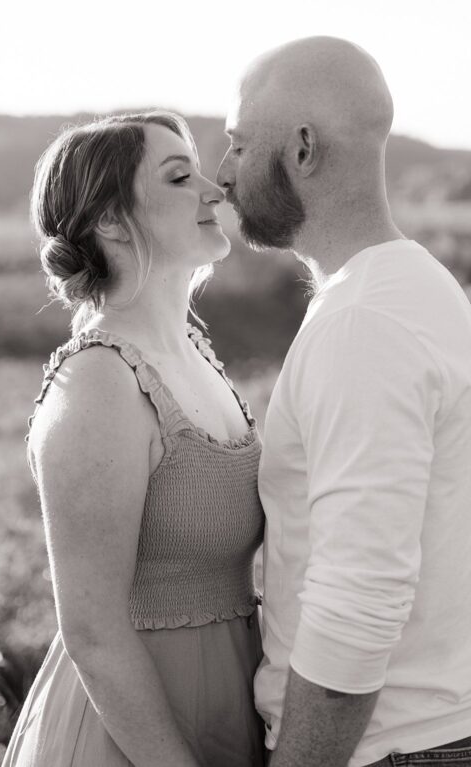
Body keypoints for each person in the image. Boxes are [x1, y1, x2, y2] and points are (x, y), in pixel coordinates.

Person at [217, 36, 471, 767]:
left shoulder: (364, 321)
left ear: (302, 149)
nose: (224, 172)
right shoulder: (412, 285)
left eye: (238, 144)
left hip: (384, 749)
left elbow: (361, 592)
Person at [2, 112, 265, 767]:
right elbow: (91, 629)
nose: (214, 189)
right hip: (137, 735)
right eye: (180, 176)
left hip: (230, 700)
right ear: (112, 222)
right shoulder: (98, 381)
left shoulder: (196, 350)